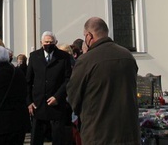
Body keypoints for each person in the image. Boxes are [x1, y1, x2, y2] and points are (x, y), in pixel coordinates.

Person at [66, 17, 140, 145]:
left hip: (98, 132)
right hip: (129, 131)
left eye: (85, 36)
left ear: (89, 36)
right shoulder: (127, 55)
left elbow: (73, 95)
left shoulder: (86, 60)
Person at [27, 31, 73, 145]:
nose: (48, 44)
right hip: (38, 104)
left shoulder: (64, 57)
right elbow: (28, 81)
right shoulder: (34, 56)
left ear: (55, 42)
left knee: (58, 137)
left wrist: (58, 96)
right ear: (41, 43)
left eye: (51, 42)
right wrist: (29, 102)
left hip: (56, 104)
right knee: (36, 138)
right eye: (46, 42)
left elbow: (68, 79)